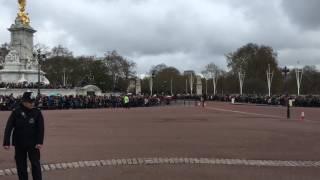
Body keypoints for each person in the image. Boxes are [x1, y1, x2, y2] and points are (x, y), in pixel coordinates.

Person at [3, 92, 44, 180]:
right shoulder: (16, 112)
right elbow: (9, 127)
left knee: (35, 164)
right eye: (30, 102)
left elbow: (40, 128)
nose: (32, 103)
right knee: (21, 166)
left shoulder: (37, 112)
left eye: (33, 101)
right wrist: (6, 142)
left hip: (33, 143)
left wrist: (40, 142)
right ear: (24, 102)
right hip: (19, 143)